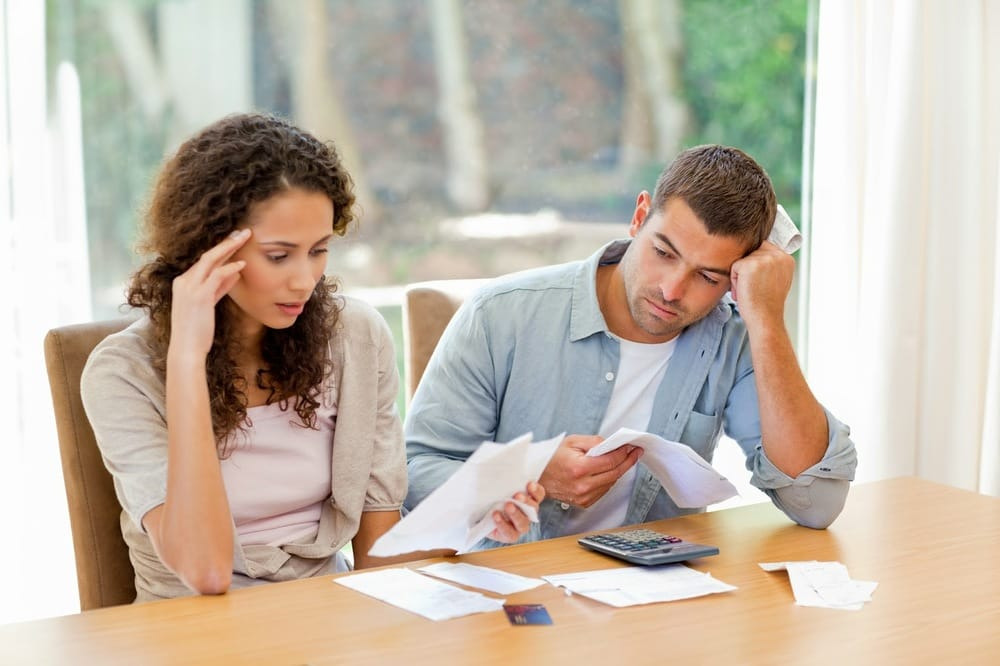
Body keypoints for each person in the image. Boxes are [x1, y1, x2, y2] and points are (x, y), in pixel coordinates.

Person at [81, 112, 543, 601]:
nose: (305, 280)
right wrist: (187, 361)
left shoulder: (354, 338)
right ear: (207, 248)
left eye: (319, 250)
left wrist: (470, 520)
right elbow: (207, 573)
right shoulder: (123, 373)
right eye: (278, 256)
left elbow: (376, 556)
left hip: (324, 618)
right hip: (187, 630)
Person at [405, 144, 857, 546]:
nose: (672, 289)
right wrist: (527, 470)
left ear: (735, 279)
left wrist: (768, 320)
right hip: (509, 605)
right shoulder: (500, 313)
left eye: (708, 276)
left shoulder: (732, 340)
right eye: (663, 252)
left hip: (648, 607)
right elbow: (411, 473)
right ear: (640, 216)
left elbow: (815, 504)